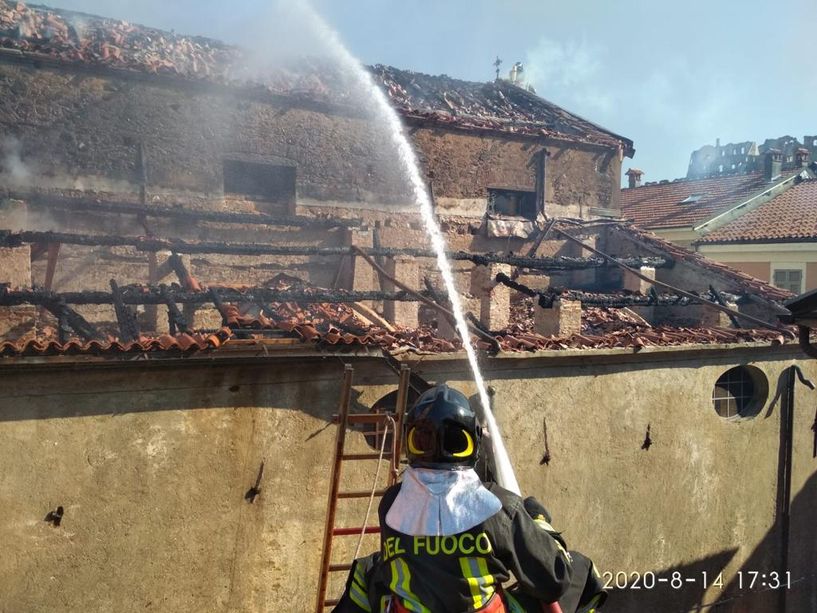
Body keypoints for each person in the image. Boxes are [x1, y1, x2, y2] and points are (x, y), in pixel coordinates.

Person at [333, 384, 606, 613]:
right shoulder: (498, 505)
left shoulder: (392, 503)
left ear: (410, 441)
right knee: (581, 569)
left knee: (368, 570)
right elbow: (554, 580)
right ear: (472, 441)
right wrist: (539, 523)